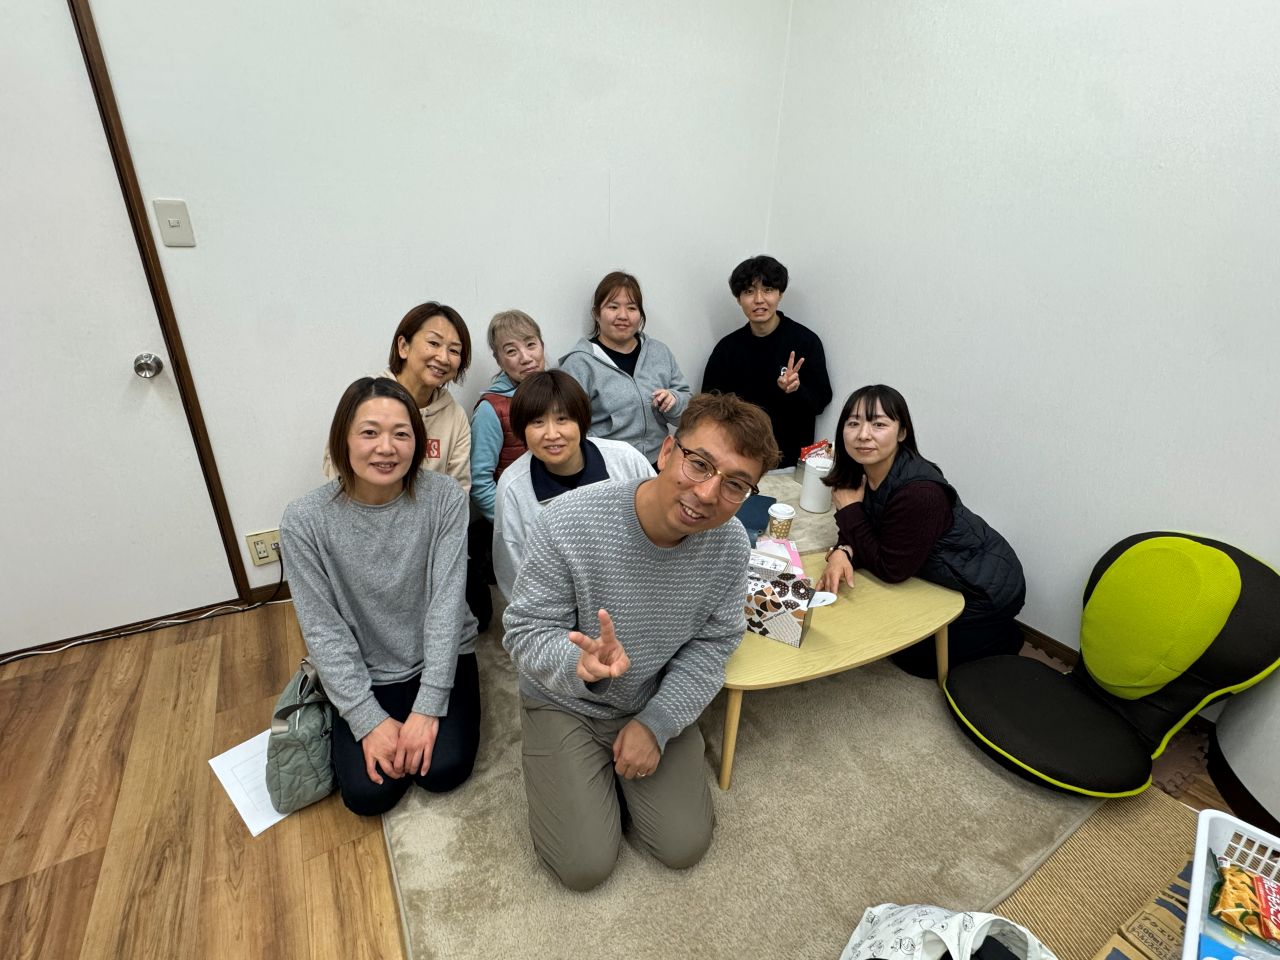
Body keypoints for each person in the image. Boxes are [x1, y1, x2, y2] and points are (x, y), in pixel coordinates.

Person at [503, 392, 780, 890]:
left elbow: (715, 644)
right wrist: (578, 664)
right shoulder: (567, 521)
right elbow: (525, 630)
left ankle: (617, 764)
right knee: (585, 866)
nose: (708, 493)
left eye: (736, 484)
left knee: (683, 845)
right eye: (699, 464)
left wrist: (657, 724)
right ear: (667, 451)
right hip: (564, 701)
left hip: (649, 692)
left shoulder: (731, 545)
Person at [282, 377, 480, 816]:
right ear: (343, 439)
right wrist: (365, 716)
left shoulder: (444, 498)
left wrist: (428, 707)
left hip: (439, 654)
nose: (386, 448)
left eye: (401, 434)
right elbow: (323, 629)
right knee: (368, 795)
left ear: (417, 441)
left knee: (443, 770)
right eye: (369, 433)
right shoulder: (304, 521)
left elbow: (447, 607)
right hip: (366, 664)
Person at [815, 384, 1025, 678]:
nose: (863, 434)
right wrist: (843, 551)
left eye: (878, 424)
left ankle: (1003, 634)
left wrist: (849, 511)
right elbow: (869, 526)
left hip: (984, 588)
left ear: (902, 432)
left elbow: (891, 569)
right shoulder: (863, 468)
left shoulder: (920, 493)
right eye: (853, 423)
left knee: (911, 658)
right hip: (934, 567)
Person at [492, 370, 652, 600]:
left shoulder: (626, 460)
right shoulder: (513, 486)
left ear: (581, 420)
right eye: (537, 422)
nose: (551, 434)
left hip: (636, 596)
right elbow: (514, 573)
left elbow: (658, 531)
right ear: (521, 429)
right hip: (555, 609)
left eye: (562, 419)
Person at [323, 301, 473, 492]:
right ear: (403, 346)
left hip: (433, 512)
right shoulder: (365, 399)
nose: (443, 358)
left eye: (454, 350)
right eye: (434, 343)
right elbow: (337, 472)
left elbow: (458, 490)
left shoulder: (455, 416)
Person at [701, 255, 832, 468]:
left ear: (780, 294)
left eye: (768, 290)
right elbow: (709, 406)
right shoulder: (727, 349)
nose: (759, 299)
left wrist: (796, 389)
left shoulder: (805, 341)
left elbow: (822, 401)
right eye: (749, 292)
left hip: (788, 461)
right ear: (738, 299)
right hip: (737, 458)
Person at [558, 270, 692, 465]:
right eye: (613, 307)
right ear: (596, 313)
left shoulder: (659, 352)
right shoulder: (579, 363)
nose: (623, 315)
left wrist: (674, 401)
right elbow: (567, 425)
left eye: (631, 308)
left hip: (660, 463)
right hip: (610, 468)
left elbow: (687, 412)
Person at [466, 309, 547, 631]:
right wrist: (514, 526)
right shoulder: (491, 409)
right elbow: (480, 482)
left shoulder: (557, 392)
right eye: (511, 350)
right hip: (519, 535)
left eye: (531, 344)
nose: (526, 357)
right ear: (499, 359)